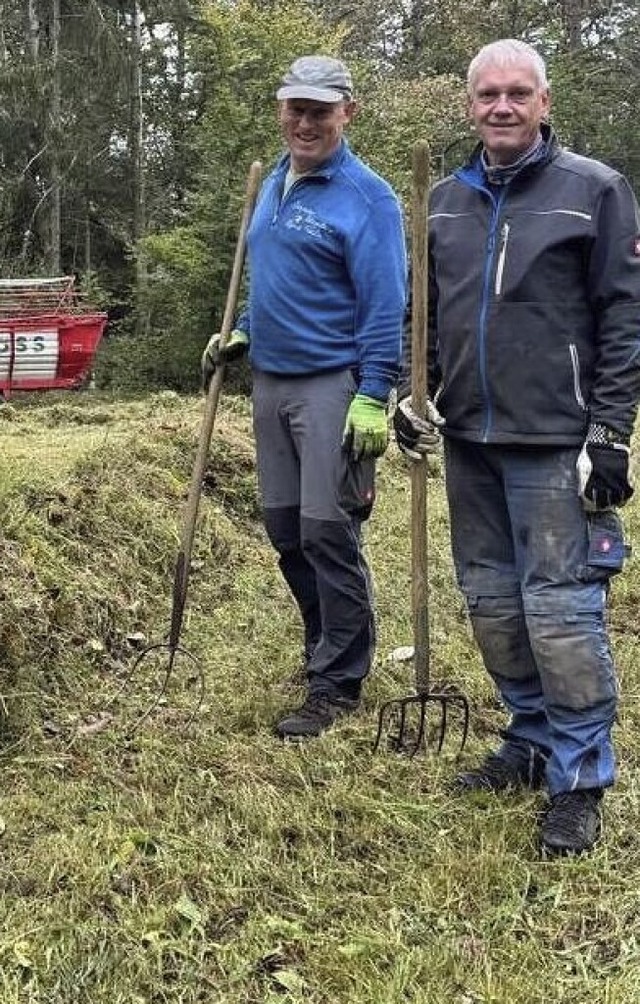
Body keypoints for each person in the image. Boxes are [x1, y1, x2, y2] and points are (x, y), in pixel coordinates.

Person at [394, 38, 640, 856]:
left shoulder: (594, 192)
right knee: (493, 604)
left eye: (518, 93)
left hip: (554, 442)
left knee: (561, 612)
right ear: (470, 104)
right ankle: (531, 740)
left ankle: (578, 778)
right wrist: (411, 391)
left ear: (544, 102)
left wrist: (609, 432)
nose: (502, 106)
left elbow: (623, 320)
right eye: (488, 93)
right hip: (468, 438)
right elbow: (422, 314)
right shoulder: (443, 201)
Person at [202, 55, 407, 739]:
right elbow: (272, 280)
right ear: (280, 109)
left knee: (328, 531)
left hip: (333, 385)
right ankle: (323, 648)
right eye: (296, 107)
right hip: (271, 382)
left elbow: (386, 304)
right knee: (287, 531)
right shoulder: (274, 181)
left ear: (348, 112)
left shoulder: (367, 196)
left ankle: (338, 682)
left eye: (321, 110)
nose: (305, 121)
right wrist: (242, 331)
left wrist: (376, 391)